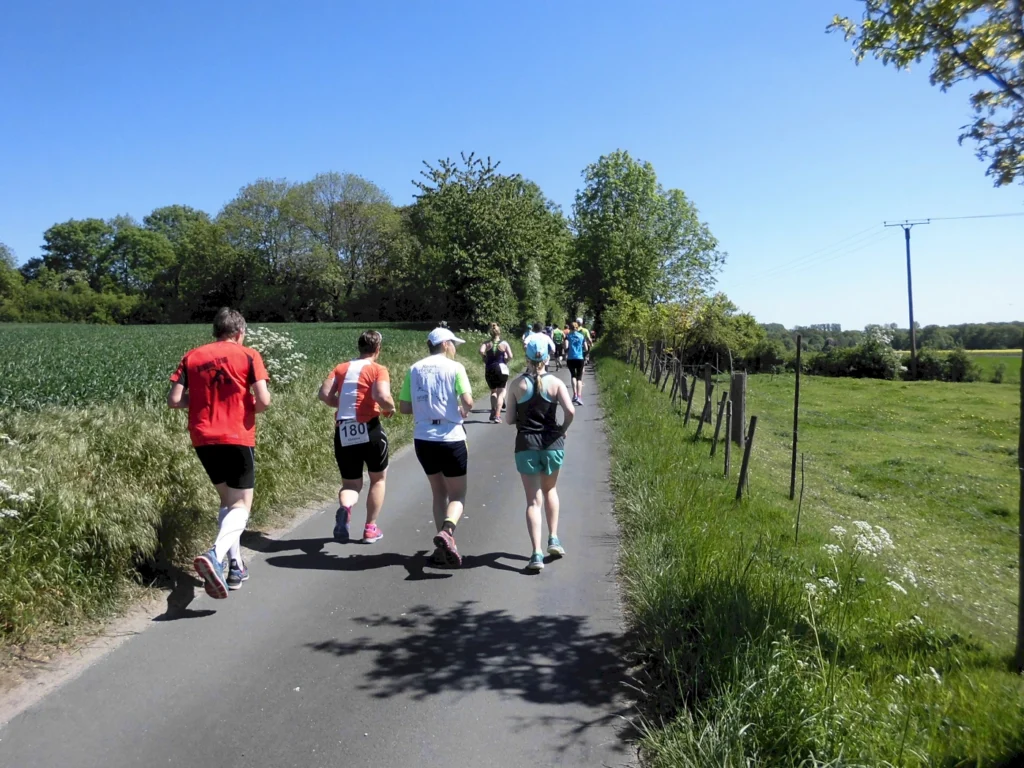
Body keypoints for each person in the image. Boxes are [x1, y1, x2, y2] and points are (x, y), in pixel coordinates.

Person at [168, 308, 271, 599]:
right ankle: (215, 554)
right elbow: (264, 401)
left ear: (216, 331)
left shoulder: (192, 356)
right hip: (237, 435)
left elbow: (174, 400)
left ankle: (235, 567)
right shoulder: (249, 355)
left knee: (227, 501)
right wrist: (245, 406)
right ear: (239, 332)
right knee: (242, 506)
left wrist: (202, 399)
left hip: (203, 437)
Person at [399, 327, 474, 567]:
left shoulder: (414, 369)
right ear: (444, 344)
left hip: (424, 438)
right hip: (451, 436)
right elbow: (468, 400)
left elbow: (404, 407)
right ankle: (447, 531)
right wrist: (462, 410)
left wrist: (425, 408)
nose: (455, 349)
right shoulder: (455, 368)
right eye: (453, 344)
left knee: (438, 492)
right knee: (458, 494)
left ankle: (442, 550)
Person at [318, 330, 396, 544]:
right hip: (369, 427)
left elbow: (324, 394)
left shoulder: (341, 368)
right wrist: (390, 407)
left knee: (351, 484)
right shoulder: (378, 369)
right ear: (377, 349)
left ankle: (345, 508)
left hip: (344, 429)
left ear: (359, 347)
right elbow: (381, 395)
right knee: (378, 479)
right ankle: (370, 528)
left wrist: (341, 403)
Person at [505, 337, 575, 571]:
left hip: (526, 444)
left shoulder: (516, 385)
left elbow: (509, 419)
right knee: (550, 490)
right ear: (547, 358)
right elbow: (570, 411)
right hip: (552, 444)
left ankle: (536, 554)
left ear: (527, 358)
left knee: (533, 501)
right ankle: (553, 538)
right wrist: (562, 430)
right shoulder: (556, 383)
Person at [479, 323, 513, 423]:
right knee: (501, 393)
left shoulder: (486, 343)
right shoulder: (504, 343)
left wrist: (485, 358)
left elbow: (481, 351)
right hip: (501, 368)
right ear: (499, 332)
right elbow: (510, 356)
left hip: (489, 368)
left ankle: (493, 410)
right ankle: (498, 415)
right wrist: (506, 360)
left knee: (493, 391)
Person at [566, 321, 591, 406]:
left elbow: (566, 346)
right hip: (580, 358)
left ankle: (574, 395)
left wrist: (567, 350)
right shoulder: (581, 336)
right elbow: (586, 348)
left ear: (570, 328)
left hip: (570, 358)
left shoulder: (568, 336)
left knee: (573, 375)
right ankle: (579, 397)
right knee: (579, 378)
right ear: (577, 327)